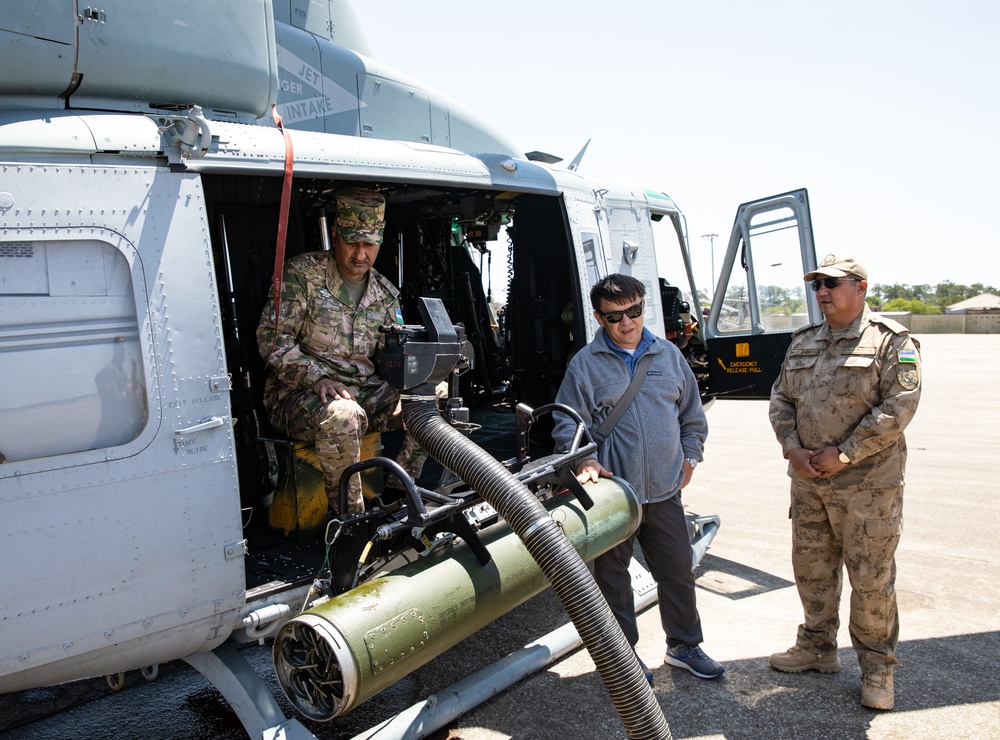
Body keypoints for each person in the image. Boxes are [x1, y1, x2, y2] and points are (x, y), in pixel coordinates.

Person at [552, 273, 723, 684]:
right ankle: (622, 660)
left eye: (634, 311)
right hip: (615, 496)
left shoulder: (668, 356)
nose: (627, 322)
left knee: (678, 570)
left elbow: (692, 417)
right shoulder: (585, 365)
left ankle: (684, 645)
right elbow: (566, 423)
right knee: (613, 578)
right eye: (614, 317)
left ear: (643, 306)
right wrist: (584, 462)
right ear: (598, 317)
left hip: (665, 489)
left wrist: (690, 460)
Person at [768, 254, 921, 711]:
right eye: (818, 285)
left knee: (871, 580)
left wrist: (846, 452)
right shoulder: (803, 342)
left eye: (833, 283)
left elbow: (900, 406)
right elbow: (780, 399)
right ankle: (817, 647)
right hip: (810, 482)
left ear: (861, 287)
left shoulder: (891, 341)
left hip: (868, 488)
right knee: (812, 570)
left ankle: (877, 668)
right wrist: (792, 447)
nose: (823, 292)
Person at [256, 185, 426, 514]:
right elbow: (271, 340)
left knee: (431, 395)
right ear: (335, 234)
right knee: (343, 414)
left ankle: (399, 496)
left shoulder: (386, 293)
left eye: (369, 245)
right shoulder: (302, 276)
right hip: (297, 398)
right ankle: (350, 522)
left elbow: (394, 352)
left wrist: (409, 385)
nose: (360, 254)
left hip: (361, 394)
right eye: (352, 242)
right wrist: (317, 379)